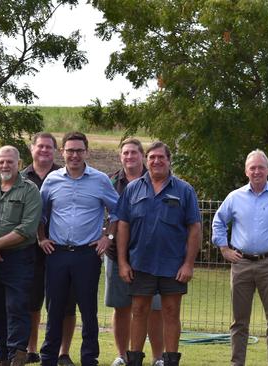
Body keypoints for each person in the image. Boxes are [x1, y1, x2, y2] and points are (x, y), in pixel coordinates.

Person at [116, 141, 201, 366]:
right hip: (140, 263)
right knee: (139, 310)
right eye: (152, 157)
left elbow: (195, 228)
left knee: (171, 312)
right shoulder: (133, 189)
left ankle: (170, 360)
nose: (156, 161)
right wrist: (123, 262)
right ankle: (134, 359)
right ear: (146, 160)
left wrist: (189, 264)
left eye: (160, 157)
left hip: (173, 265)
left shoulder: (184, 190)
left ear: (168, 160)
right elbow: (123, 225)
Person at [38, 132, 119, 366]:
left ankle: (89, 358)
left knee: (88, 309)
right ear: (62, 152)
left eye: (79, 150)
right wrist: (41, 238)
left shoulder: (101, 180)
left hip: (87, 254)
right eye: (70, 150)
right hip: (57, 254)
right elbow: (40, 214)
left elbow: (117, 211)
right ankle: (48, 358)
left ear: (87, 152)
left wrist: (108, 237)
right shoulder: (52, 180)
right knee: (54, 309)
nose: (74, 155)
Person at [212, 149, 268, 366]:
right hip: (241, 263)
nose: (257, 171)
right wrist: (224, 248)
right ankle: (237, 363)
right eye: (252, 167)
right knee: (239, 321)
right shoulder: (234, 197)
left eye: (261, 167)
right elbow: (218, 221)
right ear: (246, 171)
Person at [0, 146, 42, 366]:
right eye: (1, 161)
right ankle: (2, 354)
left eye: (9, 162)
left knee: (16, 308)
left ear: (19, 163)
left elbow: (27, 228)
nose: (5, 165)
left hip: (18, 259)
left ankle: (17, 355)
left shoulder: (29, 190)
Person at [106, 138, 164, 366]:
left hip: (152, 257)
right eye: (125, 153)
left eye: (134, 153)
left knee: (155, 308)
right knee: (122, 307)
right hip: (116, 255)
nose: (129, 157)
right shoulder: (110, 181)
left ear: (142, 156)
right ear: (121, 157)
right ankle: (123, 355)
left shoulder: (157, 181)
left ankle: (158, 357)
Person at [21, 132, 77, 366]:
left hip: (62, 250)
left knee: (65, 304)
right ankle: (32, 350)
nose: (44, 150)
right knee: (31, 303)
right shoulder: (20, 177)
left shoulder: (65, 175)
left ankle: (63, 353)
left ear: (56, 150)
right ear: (32, 148)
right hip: (28, 251)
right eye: (40, 146)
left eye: (49, 147)